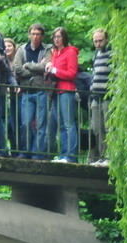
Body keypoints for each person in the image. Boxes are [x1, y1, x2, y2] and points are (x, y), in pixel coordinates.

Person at [12, 23, 51, 159]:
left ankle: (38, 153)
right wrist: (35, 71)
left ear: (42, 36)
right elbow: (16, 68)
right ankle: (25, 151)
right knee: (26, 123)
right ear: (29, 35)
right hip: (27, 91)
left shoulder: (47, 49)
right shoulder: (22, 49)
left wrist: (28, 66)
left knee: (41, 124)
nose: (35, 36)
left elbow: (46, 67)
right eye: (33, 34)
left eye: (38, 34)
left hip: (41, 91)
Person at [45, 26, 78, 163]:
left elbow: (72, 73)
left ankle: (71, 156)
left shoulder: (70, 52)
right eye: (55, 37)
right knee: (61, 125)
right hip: (56, 91)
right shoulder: (55, 53)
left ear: (64, 37)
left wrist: (54, 70)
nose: (57, 39)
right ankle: (64, 154)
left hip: (66, 90)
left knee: (69, 124)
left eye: (59, 37)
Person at [88, 29, 111, 166]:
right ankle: (99, 156)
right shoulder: (96, 55)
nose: (98, 43)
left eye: (100, 40)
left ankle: (108, 156)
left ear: (106, 39)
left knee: (107, 126)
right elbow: (94, 75)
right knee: (96, 127)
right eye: (95, 41)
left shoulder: (112, 54)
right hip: (96, 96)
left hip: (107, 95)